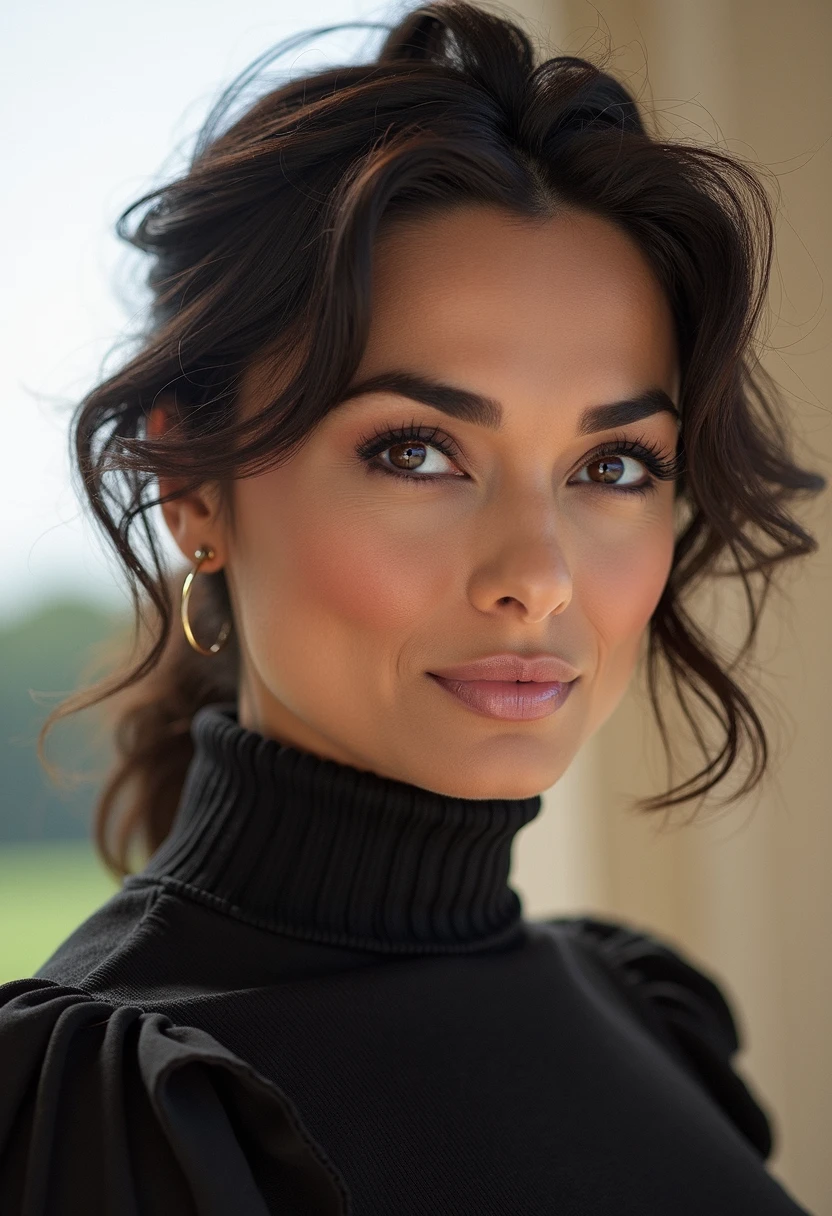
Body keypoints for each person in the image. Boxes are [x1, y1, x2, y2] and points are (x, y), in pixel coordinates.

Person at [0, 2, 825, 1212]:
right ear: (190, 487)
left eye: (612, 466)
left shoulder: (644, 1011)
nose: (536, 573)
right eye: (417, 450)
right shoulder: (119, 1105)